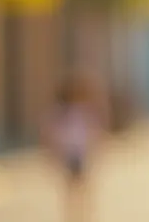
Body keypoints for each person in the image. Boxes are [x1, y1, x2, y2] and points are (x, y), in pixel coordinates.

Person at [42, 75, 106, 222]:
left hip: (80, 154)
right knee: (72, 187)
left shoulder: (83, 111)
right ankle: (74, 215)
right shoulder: (61, 113)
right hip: (70, 154)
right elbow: (50, 134)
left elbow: (94, 131)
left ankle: (83, 214)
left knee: (83, 186)